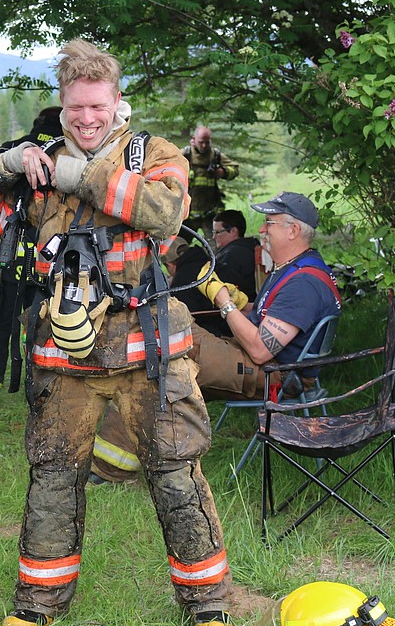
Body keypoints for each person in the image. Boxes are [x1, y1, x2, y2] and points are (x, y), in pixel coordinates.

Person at [0, 40, 233, 626]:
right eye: (75, 108)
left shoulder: (153, 154)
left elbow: (163, 213)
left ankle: (207, 600)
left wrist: (75, 173)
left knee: (175, 471)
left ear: (117, 102)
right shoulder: (35, 166)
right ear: (62, 105)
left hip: (147, 352)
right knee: (54, 473)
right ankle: (39, 598)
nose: (86, 119)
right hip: (63, 352)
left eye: (97, 106)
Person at [91, 192, 341, 482]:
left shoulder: (303, 283)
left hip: (276, 376)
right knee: (171, 335)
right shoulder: (298, 268)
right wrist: (243, 302)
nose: (261, 229)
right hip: (267, 363)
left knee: (166, 357)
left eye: (269, 223)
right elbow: (270, 323)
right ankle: (147, 457)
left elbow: (261, 350)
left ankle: (110, 469)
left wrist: (224, 302)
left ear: (293, 230)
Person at [0, 106, 62, 407]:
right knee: (43, 325)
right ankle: (44, 391)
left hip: (4, 254)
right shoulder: (65, 155)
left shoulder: (11, 151)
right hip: (45, 260)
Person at [169, 209, 260, 338]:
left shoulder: (232, 255)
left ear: (233, 231)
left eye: (217, 232)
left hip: (234, 325)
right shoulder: (247, 247)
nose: (213, 237)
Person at [181, 125, 239, 235]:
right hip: (187, 215)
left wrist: (224, 172)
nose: (204, 145)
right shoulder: (185, 155)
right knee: (179, 247)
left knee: (216, 246)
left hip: (210, 214)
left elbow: (235, 169)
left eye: (207, 142)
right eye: (201, 142)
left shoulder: (215, 155)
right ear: (193, 140)